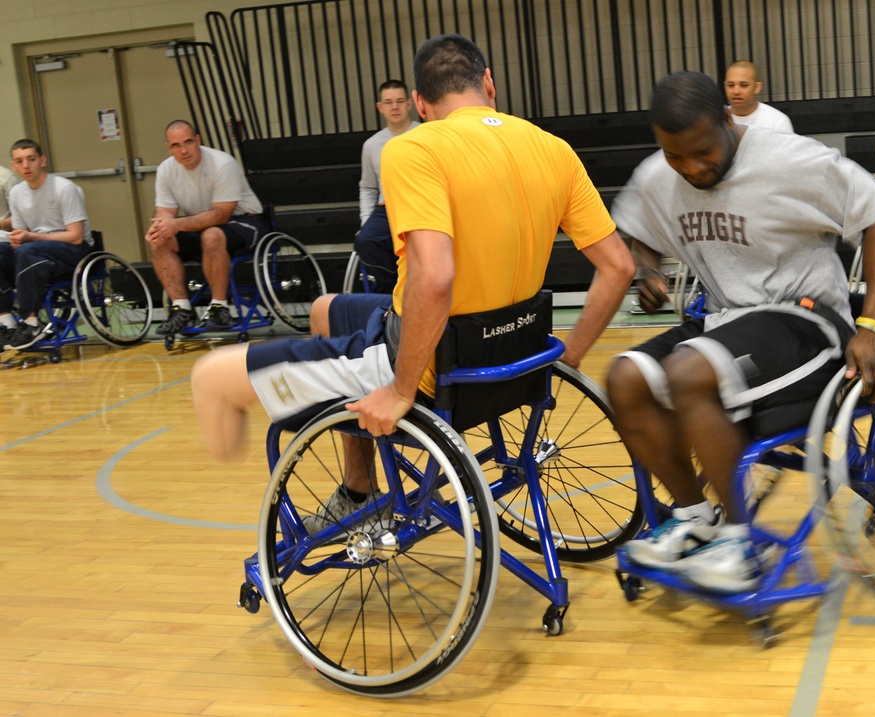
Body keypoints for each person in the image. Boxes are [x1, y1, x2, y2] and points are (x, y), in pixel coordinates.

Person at [190, 34, 634, 528]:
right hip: (515, 359)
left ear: (420, 104)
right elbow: (619, 267)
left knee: (209, 379)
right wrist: (567, 356)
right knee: (324, 309)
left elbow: (436, 276)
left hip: (430, 363)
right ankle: (359, 489)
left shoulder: (415, 149)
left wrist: (401, 390)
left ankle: (346, 478)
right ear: (488, 83)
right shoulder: (554, 148)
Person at [607, 71, 875, 593]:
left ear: (729, 119)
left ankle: (738, 544)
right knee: (625, 377)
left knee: (688, 372)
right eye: (677, 157)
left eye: (702, 151)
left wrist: (874, 326)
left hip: (809, 321)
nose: (692, 168)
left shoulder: (792, 160)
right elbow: (639, 229)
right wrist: (646, 268)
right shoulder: (662, 172)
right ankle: (695, 520)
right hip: (726, 320)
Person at [146, 120, 268, 335]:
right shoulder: (166, 169)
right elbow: (165, 213)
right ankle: (182, 309)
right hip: (201, 223)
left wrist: (177, 224)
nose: (184, 150)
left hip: (245, 221)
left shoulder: (222, 163)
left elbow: (222, 214)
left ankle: (219, 307)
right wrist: (160, 227)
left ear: (198, 140)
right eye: (176, 146)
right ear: (169, 148)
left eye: (188, 142)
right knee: (160, 240)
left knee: (212, 235)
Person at [0, 139, 93, 350]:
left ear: (42, 161)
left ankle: (31, 322)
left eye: (31, 159)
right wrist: (17, 240)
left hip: (72, 250)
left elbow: (76, 236)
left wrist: (30, 238)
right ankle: (5, 321)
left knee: (27, 250)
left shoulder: (64, 188)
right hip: (35, 250)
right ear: (13, 166)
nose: (26, 166)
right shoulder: (16, 194)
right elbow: (21, 236)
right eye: (20, 161)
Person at [354, 79, 421, 293]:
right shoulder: (371, 145)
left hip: (420, 205)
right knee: (365, 241)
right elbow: (368, 188)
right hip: (388, 208)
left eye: (400, 101)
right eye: (389, 102)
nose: (395, 107)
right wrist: (365, 222)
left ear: (410, 104)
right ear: (380, 107)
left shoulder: (426, 134)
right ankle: (393, 290)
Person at [723, 60, 794, 132]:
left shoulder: (777, 121)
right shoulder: (717, 121)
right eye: (730, 85)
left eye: (744, 85)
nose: (736, 91)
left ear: (757, 88)